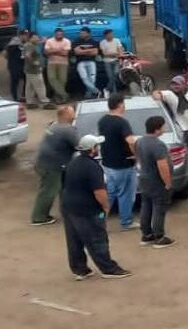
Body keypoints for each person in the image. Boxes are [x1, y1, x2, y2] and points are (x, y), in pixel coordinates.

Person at [61, 134, 131, 280]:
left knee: (74, 240)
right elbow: (99, 192)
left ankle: (80, 270)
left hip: (69, 207)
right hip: (87, 210)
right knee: (97, 238)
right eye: (97, 146)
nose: (99, 148)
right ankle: (109, 269)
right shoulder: (92, 167)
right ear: (92, 149)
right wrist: (106, 208)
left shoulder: (73, 162)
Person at [30, 106, 79, 225]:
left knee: (57, 188)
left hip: (43, 162)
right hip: (52, 166)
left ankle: (65, 211)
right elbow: (80, 145)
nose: (75, 115)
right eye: (72, 113)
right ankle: (39, 217)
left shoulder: (54, 125)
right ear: (66, 115)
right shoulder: (67, 130)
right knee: (48, 191)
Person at [98, 93, 138, 230]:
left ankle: (100, 220)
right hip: (123, 164)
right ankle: (126, 221)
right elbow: (130, 141)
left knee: (110, 194)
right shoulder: (122, 122)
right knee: (126, 194)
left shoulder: (102, 120)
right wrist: (136, 155)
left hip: (108, 164)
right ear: (120, 105)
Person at [155, 76, 188, 179]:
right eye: (173, 84)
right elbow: (158, 93)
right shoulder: (170, 94)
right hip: (186, 126)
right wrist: (156, 95)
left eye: (178, 84)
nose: (175, 86)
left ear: (184, 84)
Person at [135, 116, 175, 248]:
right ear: (157, 129)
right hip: (156, 182)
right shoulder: (158, 144)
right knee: (159, 208)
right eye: (162, 126)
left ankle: (146, 235)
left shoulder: (140, 141)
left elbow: (139, 159)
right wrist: (168, 182)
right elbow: (162, 166)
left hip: (144, 179)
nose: (164, 129)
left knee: (146, 206)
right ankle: (159, 236)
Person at [22, 32, 53, 109]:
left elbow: (38, 43)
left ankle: (29, 103)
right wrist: (34, 62)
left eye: (37, 37)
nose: (37, 39)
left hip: (29, 70)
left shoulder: (32, 44)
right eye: (35, 37)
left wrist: (43, 41)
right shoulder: (29, 46)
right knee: (40, 85)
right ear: (31, 38)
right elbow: (27, 55)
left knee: (30, 87)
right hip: (34, 70)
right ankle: (45, 102)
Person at [44, 28, 72, 104]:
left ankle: (58, 98)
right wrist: (60, 50)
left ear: (63, 34)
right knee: (52, 79)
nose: (59, 35)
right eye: (58, 34)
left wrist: (53, 51)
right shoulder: (49, 41)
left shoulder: (67, 41)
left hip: (63, 63)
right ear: (55, 34)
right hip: (51, 63)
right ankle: (65, 95)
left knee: (62, 81)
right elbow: (46, 52)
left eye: (61, 34)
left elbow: (65, 53)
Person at [73, 27, 100, 99]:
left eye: (83, 33)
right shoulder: (76, 41)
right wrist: (89, 50)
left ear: (88, 34)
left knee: (92, 79)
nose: (81, 34)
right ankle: (96, 91)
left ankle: (88, 95)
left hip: (91, 62)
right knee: (84, 78)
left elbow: (95, 53)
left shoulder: (94, 41)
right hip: (80, 63)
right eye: (81, 33)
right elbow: (76, 52)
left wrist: (82, 51)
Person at [99, 29, 124, 95]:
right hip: (107, 62)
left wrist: (120, 55)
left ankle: (107, 89)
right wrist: (115, 54)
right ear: (106, 35)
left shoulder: (117, 40)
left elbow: (120, 49)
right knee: (110, 77)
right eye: (110, 34)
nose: (111, 35)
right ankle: (114, 92)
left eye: (112, 34)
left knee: (116, 74)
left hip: (116, 60)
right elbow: (105, 54)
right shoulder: (102, 42)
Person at [4, 29, 26, 101]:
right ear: (20, 35)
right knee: (14, 81)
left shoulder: (25, 43)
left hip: (22, 65)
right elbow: (6, 54)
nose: (26, 36)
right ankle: (14, 97)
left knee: (27, 79)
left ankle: (23, 96)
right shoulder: (13, 43)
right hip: (14, 65)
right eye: (24, 35)